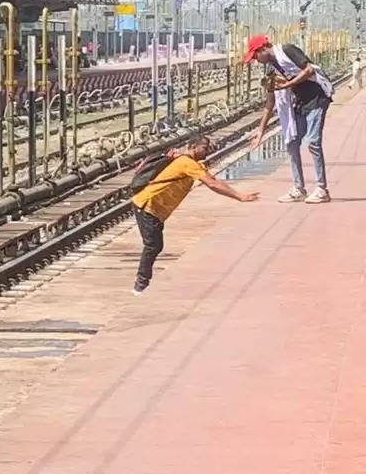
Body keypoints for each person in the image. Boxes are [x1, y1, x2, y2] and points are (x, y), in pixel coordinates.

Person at [130, 136, 258, 294]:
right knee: (153, 245)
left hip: (155, 208)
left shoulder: (191, 163)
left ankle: (142, 283)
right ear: (192, 146)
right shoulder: (187, 163)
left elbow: (213, 180)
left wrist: (238, 194)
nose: (207, 151)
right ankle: (140, 285)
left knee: (155, 245)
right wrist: (239, 197)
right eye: (204, 147)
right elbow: (211, 184)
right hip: (146, 204)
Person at [246, 34, 335, 204]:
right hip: (301, 103)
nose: (256, 60)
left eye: (255, 56)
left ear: (263, 49)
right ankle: (298, 188)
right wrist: (260, 130)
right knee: (292, 142)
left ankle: (322, 189)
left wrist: (288, 84)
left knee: (313, 141)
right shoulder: (272, 69)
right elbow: (270, 102)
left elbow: (308, 69)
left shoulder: (287, 50)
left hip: (317, 97)